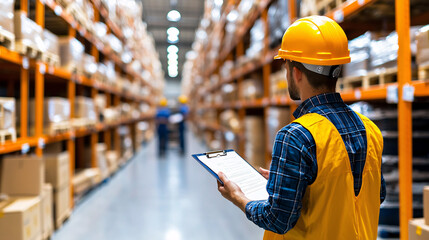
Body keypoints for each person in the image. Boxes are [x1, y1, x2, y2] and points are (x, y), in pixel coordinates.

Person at [217, 16, 386, 240]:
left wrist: (238, 197)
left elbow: (278, 219)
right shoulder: (370, 129)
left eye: (286, 65)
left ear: (296, 72)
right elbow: (374, 194)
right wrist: (293, 182)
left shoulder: (295, 136)